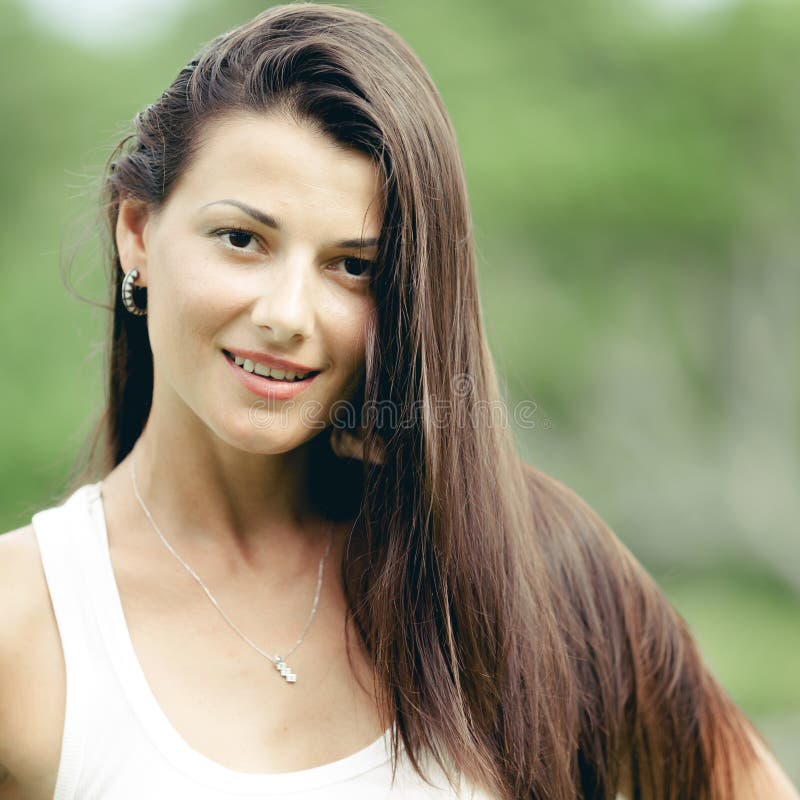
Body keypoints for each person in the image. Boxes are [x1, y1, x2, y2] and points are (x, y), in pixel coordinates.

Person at [0, 4, 796, 799]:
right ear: (137, 230)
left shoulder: (526, 573)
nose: (286, 314)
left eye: (352, 267)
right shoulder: (24, 622)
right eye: (242, 240)